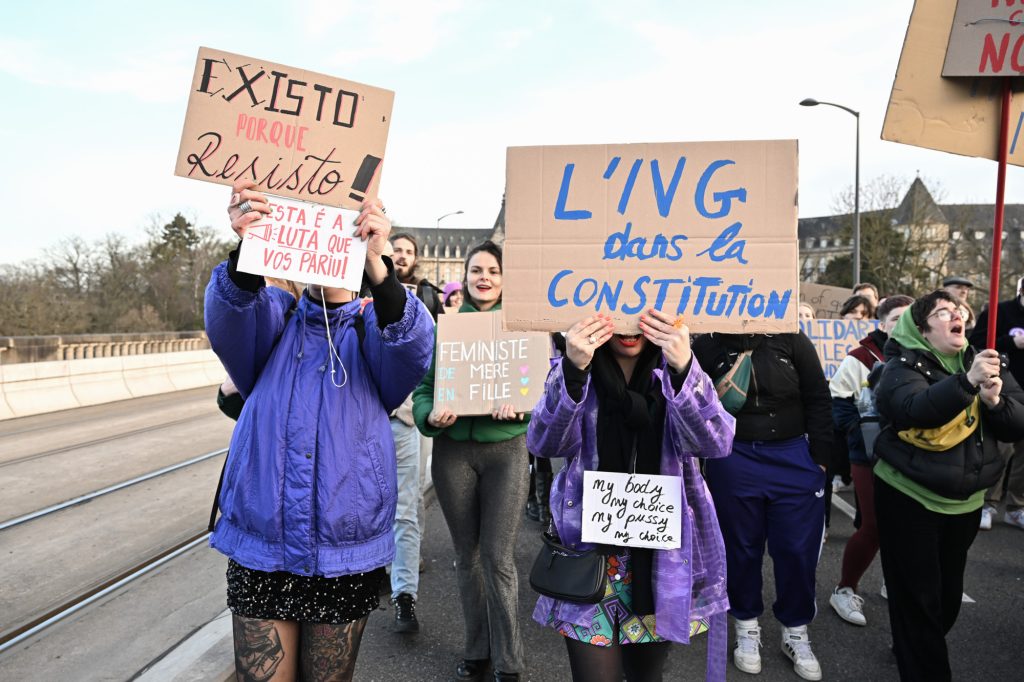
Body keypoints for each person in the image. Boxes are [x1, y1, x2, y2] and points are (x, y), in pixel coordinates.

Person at [205, 179, 434, 681]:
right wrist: (251, 243)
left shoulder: (371, 331)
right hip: (262, 547)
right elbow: (230, 314)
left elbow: (411, 346)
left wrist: (378, 263)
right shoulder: (274, 318)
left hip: (342, 553)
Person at [527, 310, 734, 682]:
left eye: (641, 313)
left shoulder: (683, 366)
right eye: (620, 313)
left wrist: (684, 370)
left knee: (645, 677)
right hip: (589, 559)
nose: (629, 327)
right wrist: (573, 374)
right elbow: (543, 443)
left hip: (660, 562)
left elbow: (716, 442)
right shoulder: (575, 368)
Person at [873, 290, 1024, 680]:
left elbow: (1018, 421)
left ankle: (914, 644)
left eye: (958, 310)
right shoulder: (900, 365)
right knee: (918, 602)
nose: (956, 314)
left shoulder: (986, 361)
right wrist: (967, 382)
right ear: (922, 330)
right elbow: (913, 411)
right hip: (910, 498)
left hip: (965, 504)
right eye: (943, 312)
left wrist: (995, 403)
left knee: (946, 599)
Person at [412, 241, 530, 682]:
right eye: (477, 269)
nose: (485, 277)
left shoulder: (520, 325)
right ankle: (477, 648)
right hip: (454, 451)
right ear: (465, 275)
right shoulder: (447, 329)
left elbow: (539, 386)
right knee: (468, 556)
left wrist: (522, 406)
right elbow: (424, 387)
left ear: (504, 277)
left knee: (499, 556)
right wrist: (430, 415)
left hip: (506, 452)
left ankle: (510, 660)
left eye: (494, 271)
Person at [692, 330, 832, 681]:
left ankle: (796, 628)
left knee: (797, 549)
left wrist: (821, 459)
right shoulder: (707, 344)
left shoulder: (792, 339)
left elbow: (818, 396)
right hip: (734, 457)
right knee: (740, 547)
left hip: (793, 456)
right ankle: (746, 624)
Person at [827, 295, 913, 627]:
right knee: (874, 525)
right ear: (882, 324)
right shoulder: (860, 358)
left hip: (914, 456)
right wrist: (862, 430)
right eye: (897, 319)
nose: (904, 326)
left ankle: (897, 580)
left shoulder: (927, 356)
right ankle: (845, 588)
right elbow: (839, 404)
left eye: (911, 318)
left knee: (909, 526)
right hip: (869, 456)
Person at [971, 276, 1024, 530]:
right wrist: (1010, 343)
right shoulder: (998, 312)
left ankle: (1017, 506)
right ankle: (987, 504)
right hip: (1003, 391)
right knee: (1001, 448)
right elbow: (977, 344)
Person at [392, 232, 443, 318]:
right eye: (397, 250)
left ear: (415, 259)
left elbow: (441, 329)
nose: (403, 256)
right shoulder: (368, 288)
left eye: (409, 252)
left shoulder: (428, 295)